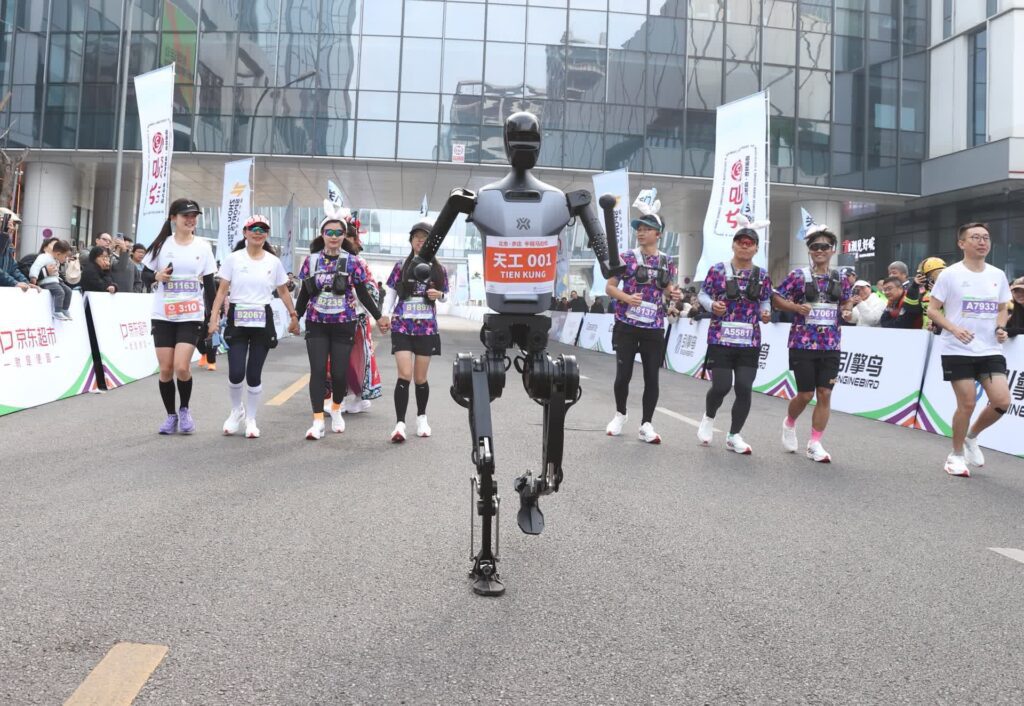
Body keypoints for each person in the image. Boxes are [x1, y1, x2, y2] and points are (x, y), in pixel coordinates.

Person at [926, 223, 1012, 477]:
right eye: (975, 237)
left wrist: (1000, 327)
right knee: (967, 403)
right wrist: (954, 329)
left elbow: (1002, 308)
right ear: (962, 243)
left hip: (990, 349)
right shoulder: (950, 274)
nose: (982, 242)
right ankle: (955, 456)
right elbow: (933, 309)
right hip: (958, 349)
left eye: (986, 237)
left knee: (1002, 401)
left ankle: (972, 436)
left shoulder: (997, 275)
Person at [295, 203, 388, 440]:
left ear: (343, 236)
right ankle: (317, 421)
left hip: (343, 323)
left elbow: (363, 294)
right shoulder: (311, 261)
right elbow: (305, 293)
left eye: (339, 233)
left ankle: (336, 409)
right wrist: (296, 317)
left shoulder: (353, 262)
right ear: (322, 235)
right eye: (329, 232)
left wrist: (379, 317)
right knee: (317, 371)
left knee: (338, 374)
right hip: (317, 323)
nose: (334, 237)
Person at [208, 215, 299, 439]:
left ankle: (251, 418)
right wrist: (213, 317)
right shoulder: (233, 259)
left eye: (263, 229)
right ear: (245, 232)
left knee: (254, 373)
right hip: (238, 316)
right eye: (253, 228)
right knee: (236, 371)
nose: (258, 232)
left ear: (266, 234)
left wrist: (293, 315)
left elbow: (283, 291)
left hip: (262, 317)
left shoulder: (273, 262)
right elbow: (221, 290)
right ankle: (236, 411)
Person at [772, 226, 854, 463]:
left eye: (824, 247)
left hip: (831, 345)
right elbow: (776, 297)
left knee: (825, 393)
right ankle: (789, 423)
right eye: (814, 247)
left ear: (833, 250)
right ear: (809, 251)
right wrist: (795, 308)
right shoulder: (799, 276)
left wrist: (847, 310)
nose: (819, 250)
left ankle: (815, 442)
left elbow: (847, 300)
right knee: (806, 394)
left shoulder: (840, 278)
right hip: (803, 343)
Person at [141, 198, 218, 435]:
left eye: (194, 216)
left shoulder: (203, 247)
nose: (190, 219)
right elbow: (144, 274)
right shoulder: (162, 245)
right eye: (185, 215)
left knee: (181, 367)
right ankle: (170, 416)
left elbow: (210, 285)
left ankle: (184, 409)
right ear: (173, 218)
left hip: (190, 315)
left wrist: (211, 317)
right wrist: (157, 277)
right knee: (165, 370)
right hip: (163, 314)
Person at [604, 208, 680, 443]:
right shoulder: (627, 257)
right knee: (623, 375)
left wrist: (674, 294)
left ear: (659, 234)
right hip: (626, 324)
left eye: (647, 229)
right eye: (639, 228)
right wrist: (626, 298)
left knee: (651, 377)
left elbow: (668, 289)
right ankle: (620, 414)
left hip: (654, 326)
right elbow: (610, 287)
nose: (641, 232)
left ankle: (646, 424)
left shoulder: (667, 261)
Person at [696, 227, 773, 454]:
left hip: (749, 341)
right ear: (733, 245)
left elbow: (766, 299)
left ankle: (733, 435)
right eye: (740, 242)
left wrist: (766, 312)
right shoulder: (718, 270)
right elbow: (703, 294)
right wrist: (712, 306)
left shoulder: (762, 275)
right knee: (720, 386)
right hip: (721, 338)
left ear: (756, 248)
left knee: (744, 388)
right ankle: (709, 418)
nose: (744, 246)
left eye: (749, 243)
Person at [383, 219, 449, 441]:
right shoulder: (402, 265)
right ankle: (399, 424)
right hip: (402, 325)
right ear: (411, 241)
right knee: (405, 375)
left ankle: (421, 417)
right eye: (416, 237)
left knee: (420, 378)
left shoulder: (439, 269)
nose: (421, 240)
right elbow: (391, 292)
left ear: (433, 242)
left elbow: (447, 296)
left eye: (425, 237)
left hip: (426, 328)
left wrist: (439, 295)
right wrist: (385, 313)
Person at [341, 224, 383, 414]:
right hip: (330, 319)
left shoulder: (359, 262)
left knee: (356, 359)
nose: (342, 239)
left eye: (347, 235)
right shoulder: (324, 259)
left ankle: (359, 396)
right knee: (332, 358)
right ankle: (337, 396)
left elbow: (370, 291)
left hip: (355, 318)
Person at [29, 239, 73, 320]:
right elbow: (36, 266)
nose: (66, 259)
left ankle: (65, 310)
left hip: (55, 281)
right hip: (46, 282)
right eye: (65, 257)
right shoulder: (44, 257)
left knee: (68, 290)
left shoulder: (56, 259)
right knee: (60, 291)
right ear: (58, 254)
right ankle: (57, 311)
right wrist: (33, 277)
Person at [915, 257, 946, 332]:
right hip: (925, 333)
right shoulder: (924, 293)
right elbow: (912, 310)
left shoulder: (949, 291)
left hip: (943, 333)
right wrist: (914, 286)